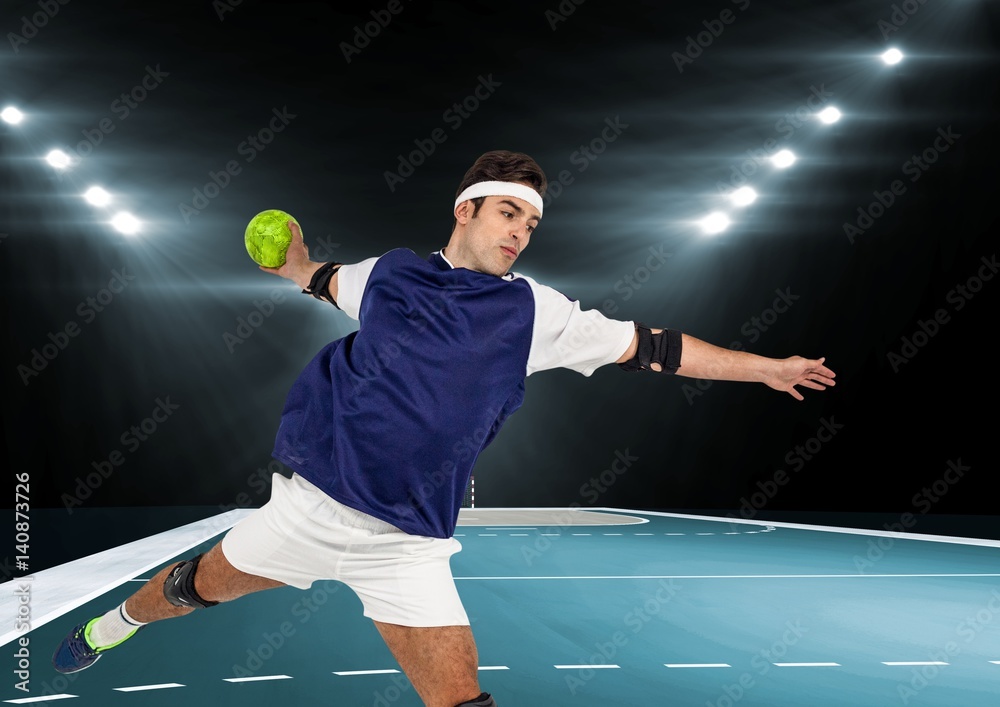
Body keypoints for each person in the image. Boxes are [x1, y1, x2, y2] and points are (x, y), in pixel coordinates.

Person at [52, 150, 835, 706]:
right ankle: (111, 625)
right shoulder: (390, 274)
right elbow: (322, 280)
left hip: (409, 545)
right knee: (190, 589)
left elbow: (659, 349)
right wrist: (293, 263)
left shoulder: (537, 311)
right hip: (305, 508)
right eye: (508, 212)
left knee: (460, 701)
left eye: (530, 220)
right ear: (467, 208)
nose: (520, 231)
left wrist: (765, 367)